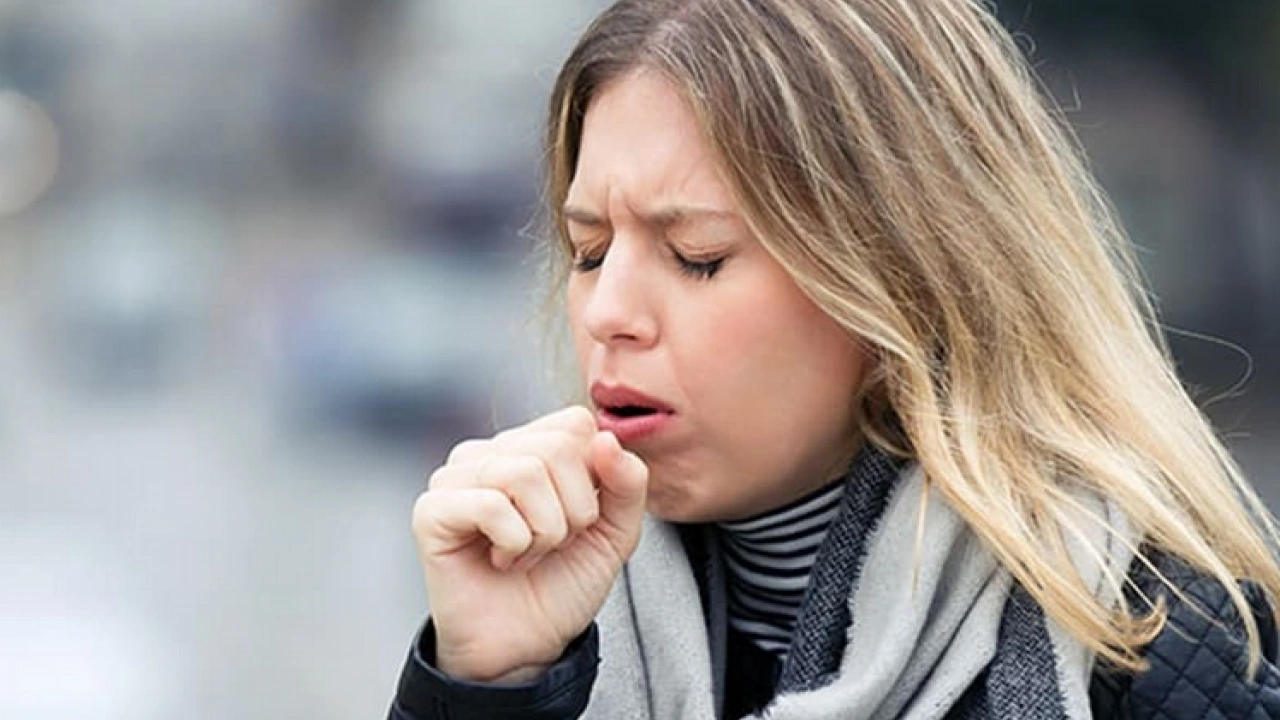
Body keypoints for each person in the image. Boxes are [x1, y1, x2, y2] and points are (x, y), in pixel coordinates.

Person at [387, 1, 1280, 718]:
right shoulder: (554, 611)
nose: (609, 312)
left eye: (697, 255)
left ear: (901, 276)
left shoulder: (1155, 637)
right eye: (588, 252)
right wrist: (491, 684)